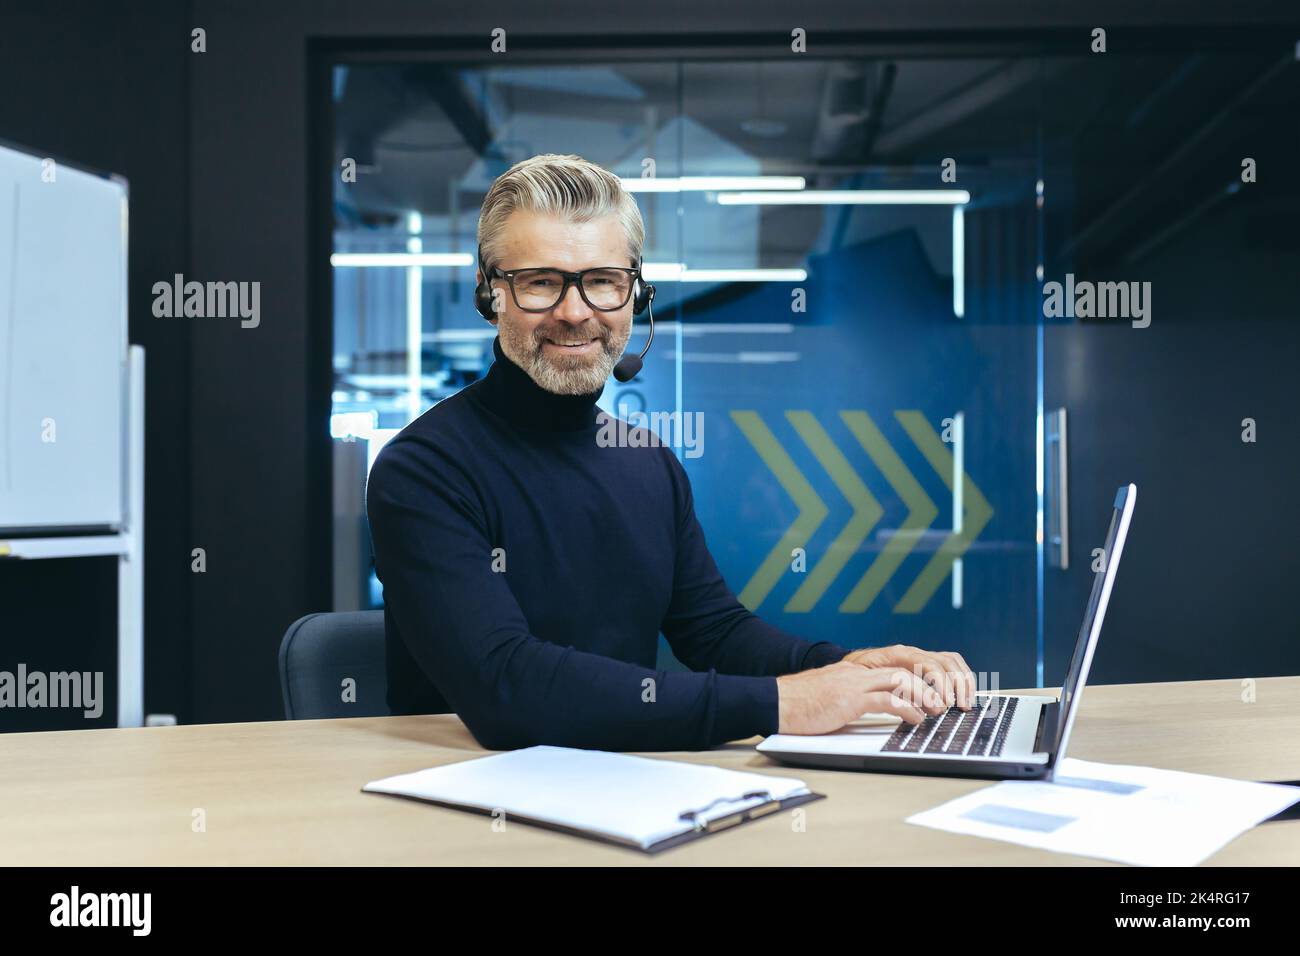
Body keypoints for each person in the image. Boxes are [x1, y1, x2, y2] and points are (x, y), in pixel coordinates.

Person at [366, 153, 975, 751]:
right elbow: (507, 687)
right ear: (490, 295)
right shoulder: (423, 470)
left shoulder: (646, 462)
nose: (575, 311)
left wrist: (847, 669)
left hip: (624, 786)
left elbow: (714, 632)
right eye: (541, 283)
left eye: (602, 281)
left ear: (636, 295)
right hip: (463, 810)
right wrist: (788, 704)